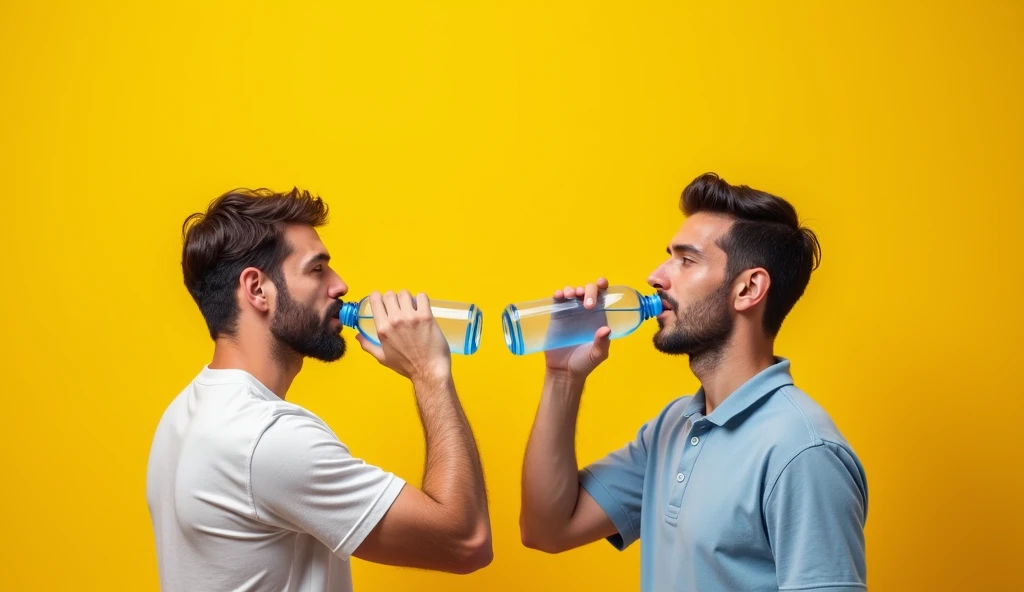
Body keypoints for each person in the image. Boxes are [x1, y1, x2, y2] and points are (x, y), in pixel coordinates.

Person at [519, 173, 867, 591]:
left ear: (748, 288)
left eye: (686, 260)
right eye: (668, 256)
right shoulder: (672, 429)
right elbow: (546, 530)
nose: (656, 276)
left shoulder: (801, 450)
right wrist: (562, 377)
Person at [146, 188, 491, 592]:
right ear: (257, 290)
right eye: (317, 269)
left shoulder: (182, 414)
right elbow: (465, 542)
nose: (340, 285)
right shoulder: (267, 440)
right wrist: (430, 374)